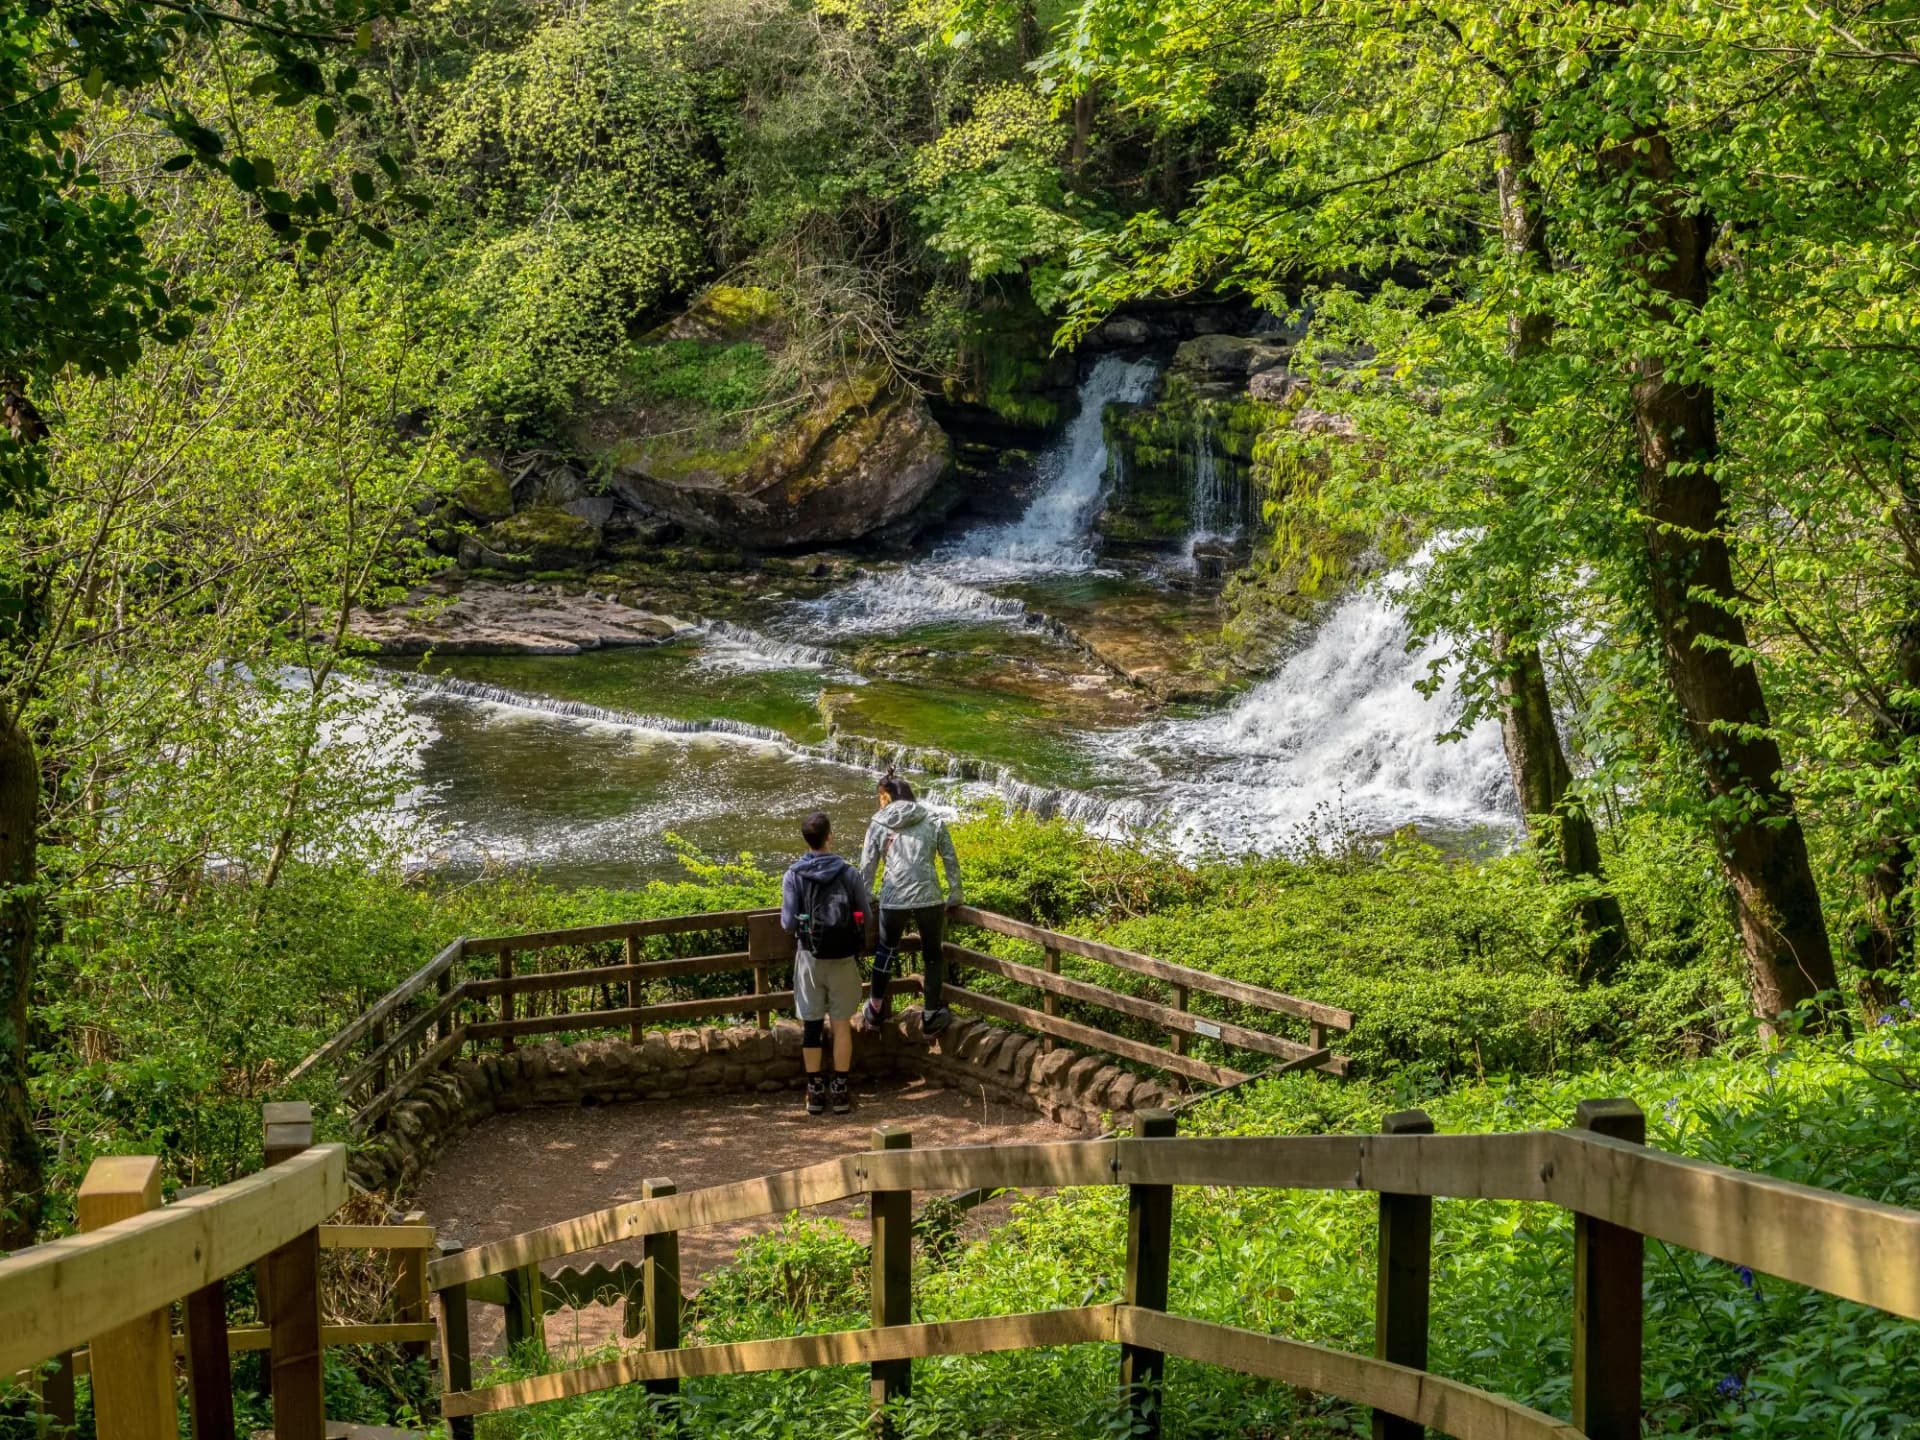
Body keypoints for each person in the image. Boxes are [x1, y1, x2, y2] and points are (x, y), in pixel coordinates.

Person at [858, 770, 963, 1037]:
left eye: (881, 796)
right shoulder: (932, 819)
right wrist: (955, 894)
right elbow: (950, 859)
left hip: (893, 898)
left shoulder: (879, 823)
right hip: (930, 897)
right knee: (932, 956)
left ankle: (875, 1009)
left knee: (886, 951)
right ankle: (930, 1016)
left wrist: (868, 895)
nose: (879, 801)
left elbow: (867, 866)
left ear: (889, 795)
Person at [781, 810, 873, 1115]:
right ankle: (841, 1089)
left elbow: (786, 923)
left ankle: (815, 1090)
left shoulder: (794, 874)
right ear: (829, 836)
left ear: (806, 839)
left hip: (809, 956)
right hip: (843, 957)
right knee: (841, 1024)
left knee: (811, 1023)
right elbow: (867, 915)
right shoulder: (849, 873)